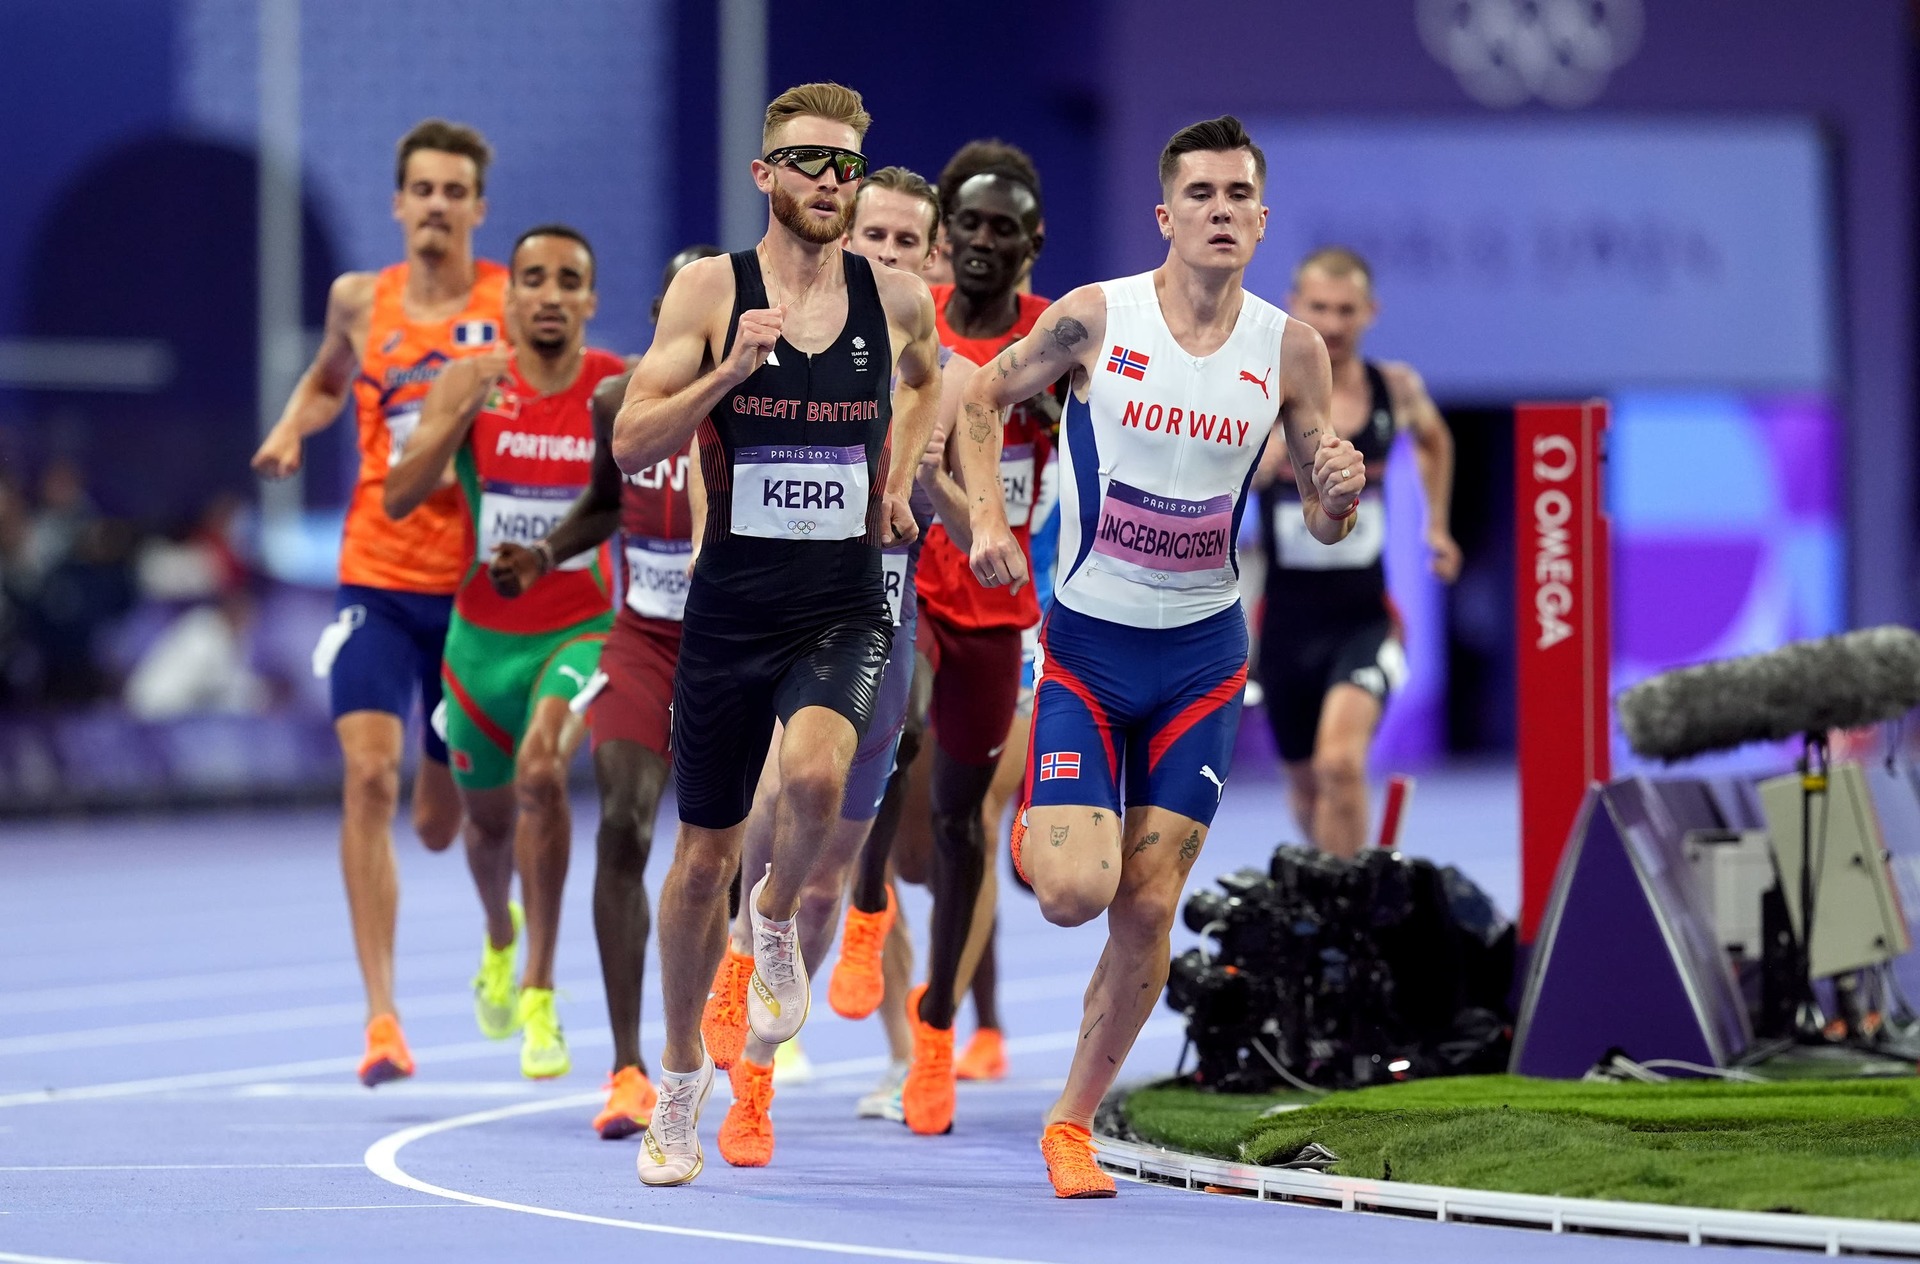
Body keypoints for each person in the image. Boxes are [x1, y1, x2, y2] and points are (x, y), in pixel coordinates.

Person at [958, 116, 1364, 1197]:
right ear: (1167, 215)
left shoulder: (1290, 349)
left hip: (1201, 665)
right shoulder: (1096, 317)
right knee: (1073, 895)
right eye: (1202, 194)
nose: (1222, 210)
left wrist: (1335, 496)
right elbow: (977, 397)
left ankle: (1071, 1122)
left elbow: (1321, 520)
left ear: (1262, 218)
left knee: (1148, 906)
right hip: (1089, 651)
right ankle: (1047, 836)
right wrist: (991, 523)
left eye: (1240, 194)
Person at [611, 82, 940, 1188]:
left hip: (843, 601)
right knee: (698, 857)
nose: (830, 183)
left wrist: (898, 484)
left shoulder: (894, 300)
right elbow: (630, 439)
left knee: (813, 780)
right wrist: (730, 373)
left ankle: (781, 917)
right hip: (732, 608)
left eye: (847, 165)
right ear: (765, 175)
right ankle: (678, 1086)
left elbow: (934, 382)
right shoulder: (713, 289)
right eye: (808, 163)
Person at [701, 166, 973, 1166]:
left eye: (910, 243)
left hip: (878, 631)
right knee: (786, 776)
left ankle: (760, 1066)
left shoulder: (939, 375)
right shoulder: (778, 329)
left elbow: (966, 502)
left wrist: (935, 494)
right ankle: (738, 941)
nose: (890, 255)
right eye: (875, 237)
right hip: (778, 611)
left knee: (823, 883)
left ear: (932, 261)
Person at [251, 119, 500, 1086]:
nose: (437, 204)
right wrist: (287, 432)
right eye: (422, 189)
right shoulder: (361, 301)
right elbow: (324, 384)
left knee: (444, 822)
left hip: (475, 597)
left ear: (478, 208)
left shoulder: (510, 306)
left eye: (454, 191)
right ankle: (383, 1018)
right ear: (398, 203)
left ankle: (494, 921)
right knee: (366, 778)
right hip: (376, 580)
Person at [387, 224, 624, 1082]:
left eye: (570, 279)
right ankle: (499, 934)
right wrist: (448, 413)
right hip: (478, 642)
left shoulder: (613, 386)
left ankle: (540, 992)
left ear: (591, 300)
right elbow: (400, 495)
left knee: (541, 774)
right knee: (484, 828)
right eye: (534, 278)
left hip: (580, 626)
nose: (552, 293)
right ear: (510, 297)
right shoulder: (471, 383)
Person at [515, 244, 720, 1137]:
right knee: (627, 825)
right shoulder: (616, 404)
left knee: (722, 857)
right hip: (639, 641)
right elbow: (605, 502)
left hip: (729, 647)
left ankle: (712, 1040)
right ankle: (629, 1067)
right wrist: (545, 550)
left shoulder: (764, 405)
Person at [883, 151, 1054, 1137]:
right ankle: (866, 915)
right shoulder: (916, 323)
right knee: (886, 757)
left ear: (1032, 246)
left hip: (1008, 607)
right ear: (946, 235)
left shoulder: (1056, 339)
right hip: (912, 581)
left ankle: (951, 1027)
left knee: (963, 825)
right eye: (971, 226)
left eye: (1007, 228)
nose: (985, 242)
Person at [1255, 246, 1460, 859]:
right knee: (1305, 786)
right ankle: (1336, 889)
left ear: (1370, 312)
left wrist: (1439, 526)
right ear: (1295, 307)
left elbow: (1433, 438)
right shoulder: (1262, 391)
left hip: (1365, 619)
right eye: (1320, 307)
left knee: (1340, 764)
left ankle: (1350, 923)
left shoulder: (1393, 388)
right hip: (1285, 626)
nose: (1334, 324)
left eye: (1347, 310)